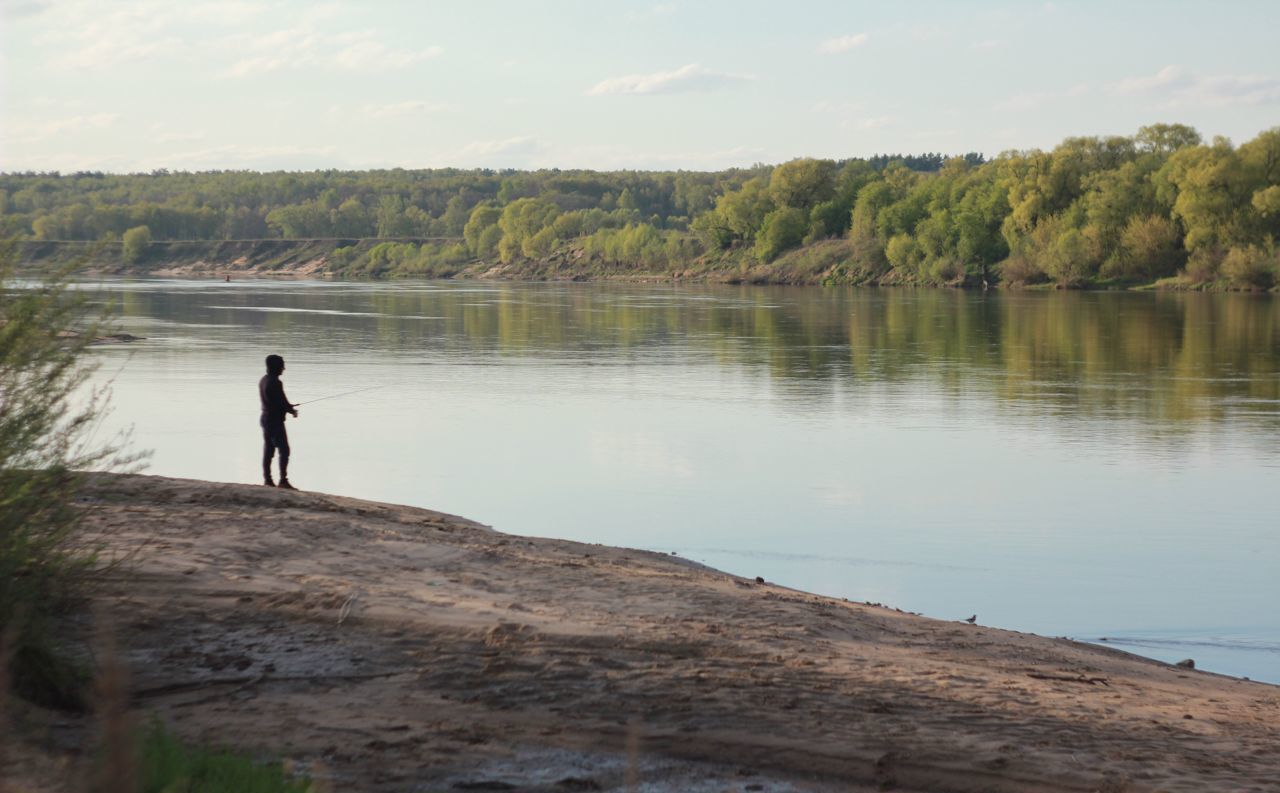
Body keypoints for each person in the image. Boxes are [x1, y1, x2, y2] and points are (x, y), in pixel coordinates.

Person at [258, 354, 299, 489]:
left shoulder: (263, 380)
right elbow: (280, 402)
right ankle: (283, 481)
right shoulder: (275, 382)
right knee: (284, 450)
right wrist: (291, 410)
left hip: (265, 418)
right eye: (282, 365)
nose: (284, 368)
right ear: (276, 367)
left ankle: (268, 480)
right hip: (274, 421)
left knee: (269, 450)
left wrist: (288, 407)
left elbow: (277, 401)